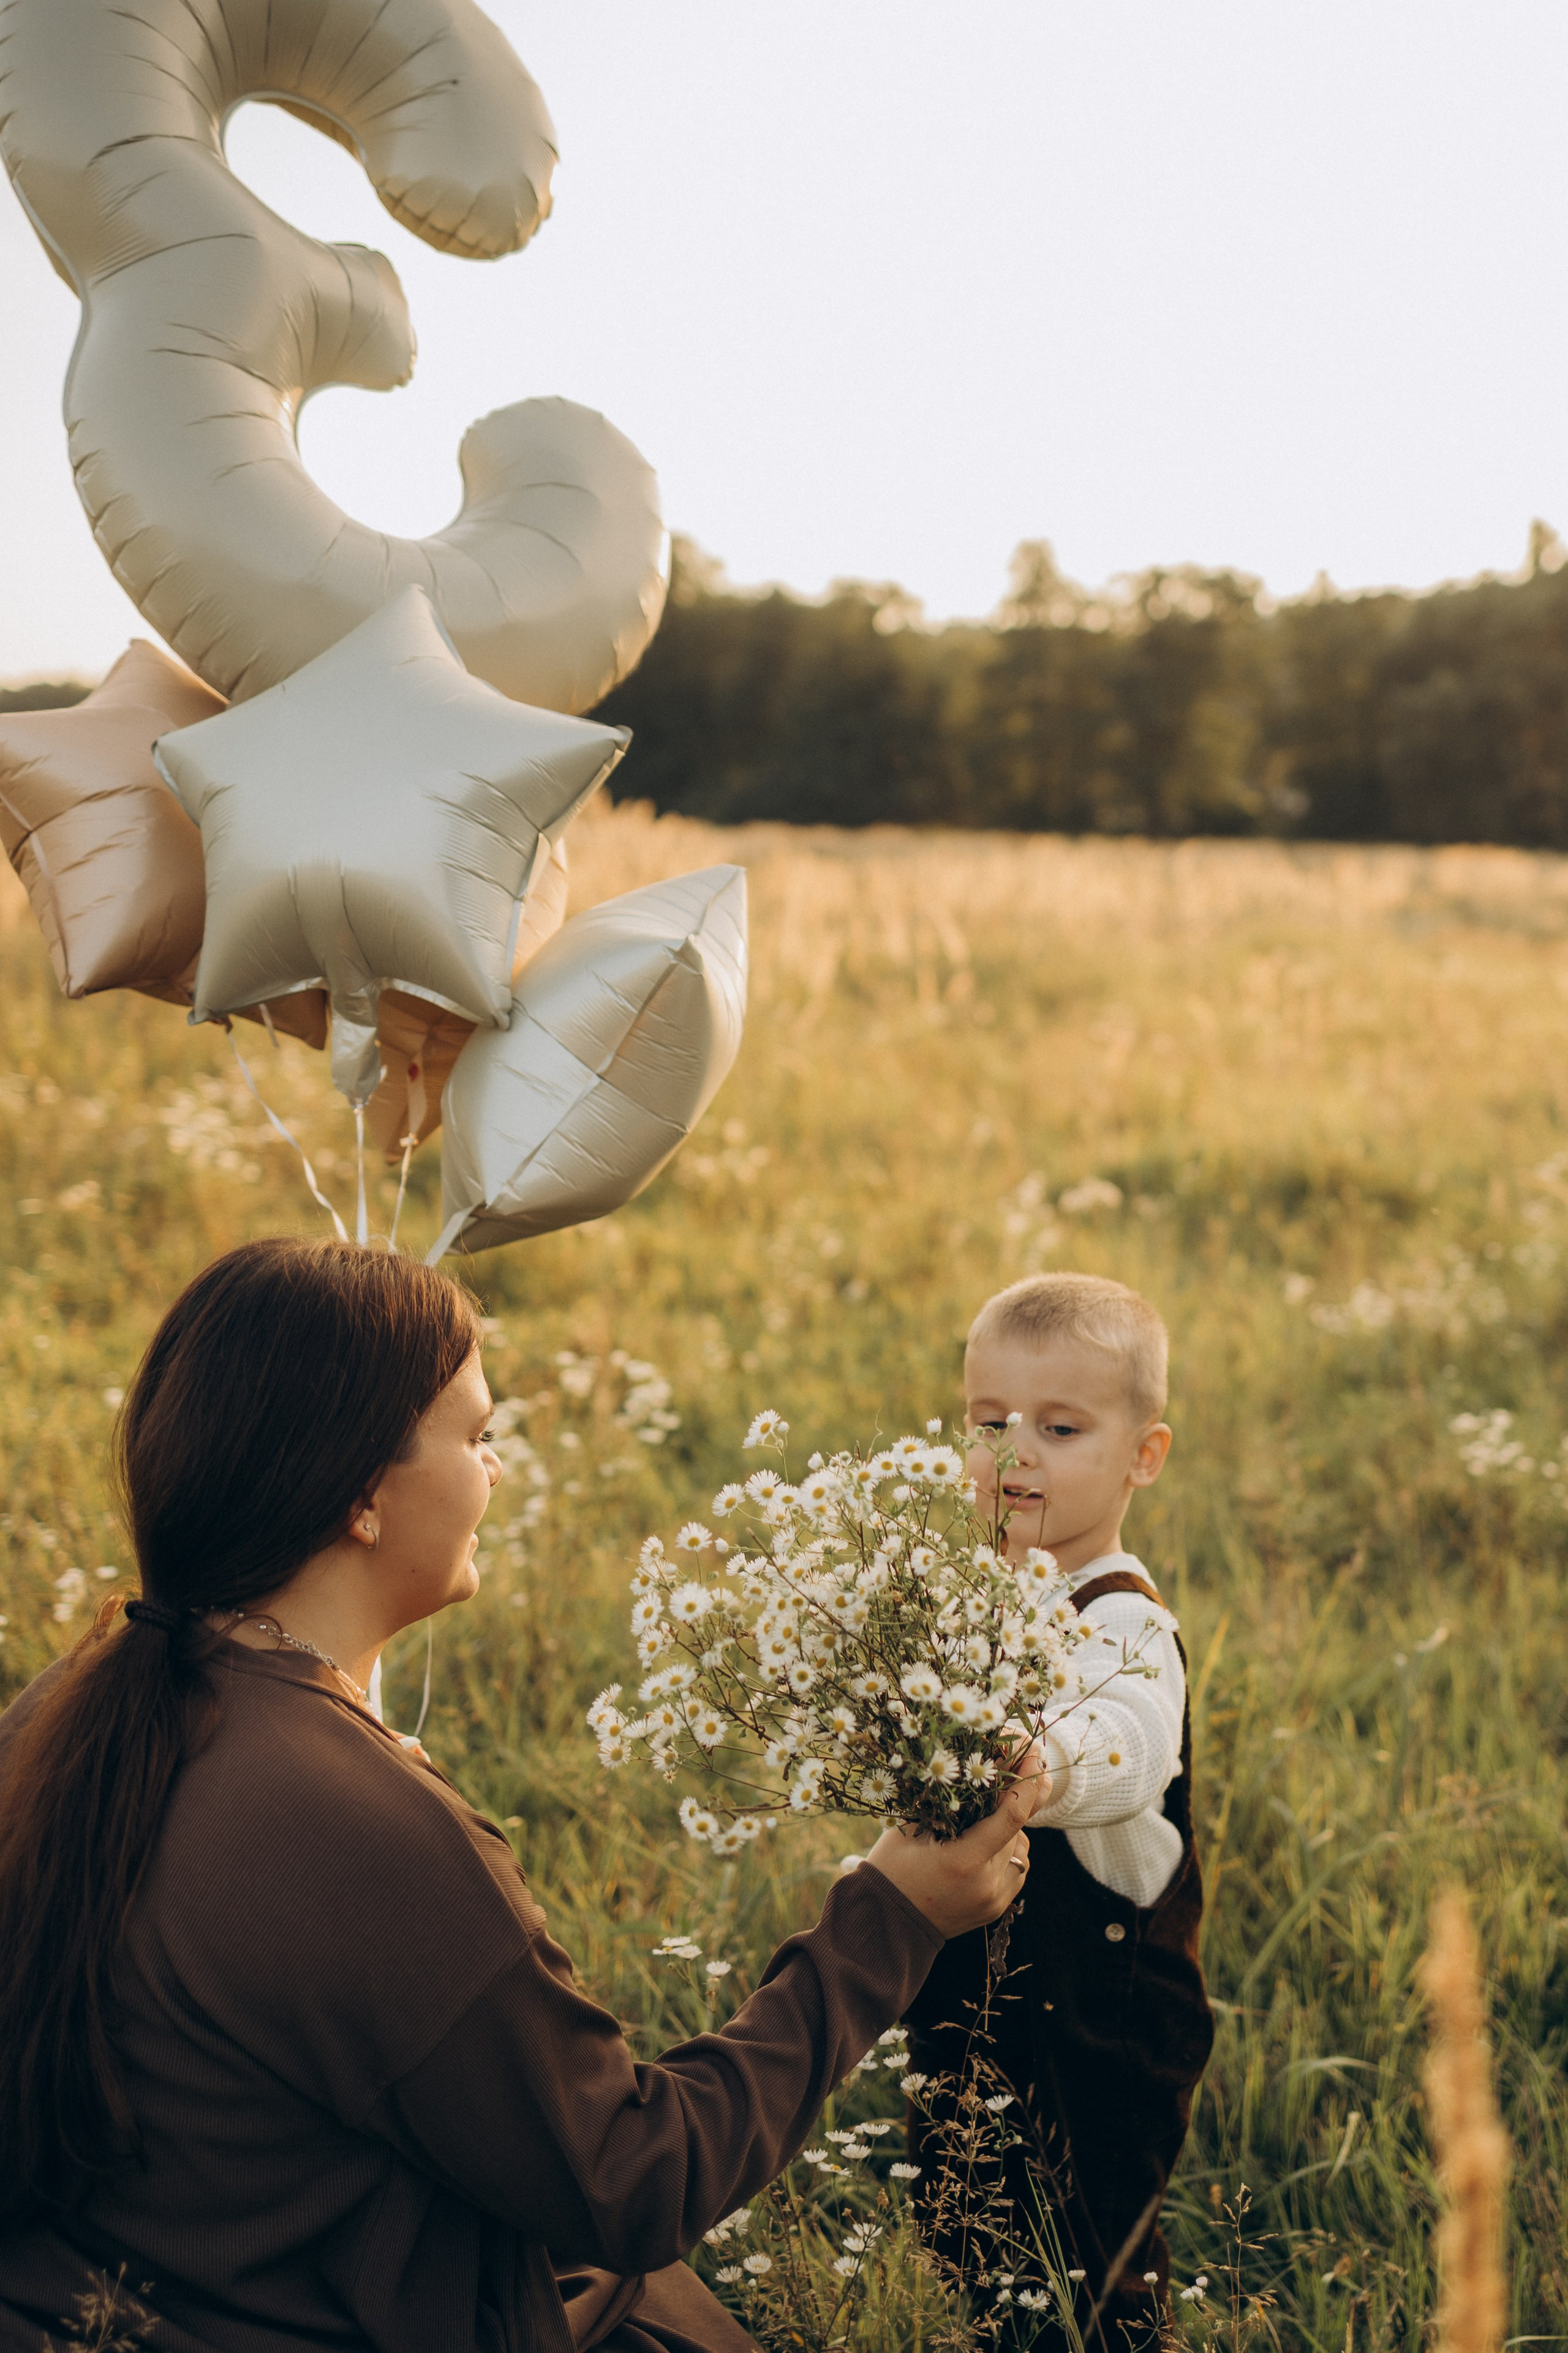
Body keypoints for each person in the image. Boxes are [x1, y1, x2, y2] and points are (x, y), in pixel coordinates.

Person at [0, 1238, 1043, 2353]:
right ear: (364, 1496)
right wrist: (891, 1918)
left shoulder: (70, 1702)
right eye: (479, 1437)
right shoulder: (364, 1832)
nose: (497, 1471)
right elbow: (633, 2178)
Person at [904, 1272, 1215, 2349]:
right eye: (989, 1423)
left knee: (1094, 2256)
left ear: (1143, 1455)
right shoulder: (979, 1592)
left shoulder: (1123, 1621)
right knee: (964, 2219)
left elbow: (1131, 1740)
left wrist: (1047, 1762)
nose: (1015, 1451)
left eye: (1060, 1425)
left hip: (1103, 2015)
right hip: (972, 1984)